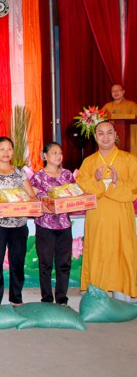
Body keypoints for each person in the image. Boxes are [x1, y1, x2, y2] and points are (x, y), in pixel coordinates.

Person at [75, 121, 137, 301]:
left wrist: (117, 183)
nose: (105, 137)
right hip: (98, 214)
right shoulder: (89, 162)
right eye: (101, 133)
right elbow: (81, 185)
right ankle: (98, 298)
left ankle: (123, 298)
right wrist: (95, 180)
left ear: (115, 135)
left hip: (120, 214)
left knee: (122, 251)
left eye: (109, 132)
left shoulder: (130, 160)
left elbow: (134, 186)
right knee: (98, 251)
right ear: (95, 137)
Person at [0, 137, 39, 306]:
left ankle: (16, 298)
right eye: (2, 149)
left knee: (17, 263)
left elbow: (31, 195)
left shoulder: (20, 172)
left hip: (19, 225)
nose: (6, 153)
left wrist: (36, 205)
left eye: (9, 149)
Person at [29, 142, 75, 305]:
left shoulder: (67, 175)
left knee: (64, 263)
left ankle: (61, 297)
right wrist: (41, 206)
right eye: (54, 152)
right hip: (45, 225)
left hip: (64, 225)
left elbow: (74, 195)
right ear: (45, 156)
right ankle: (47, 298)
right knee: (45, 263)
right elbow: (32, 198)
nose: (58, 156)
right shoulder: (38, 176)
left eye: (60, 152)